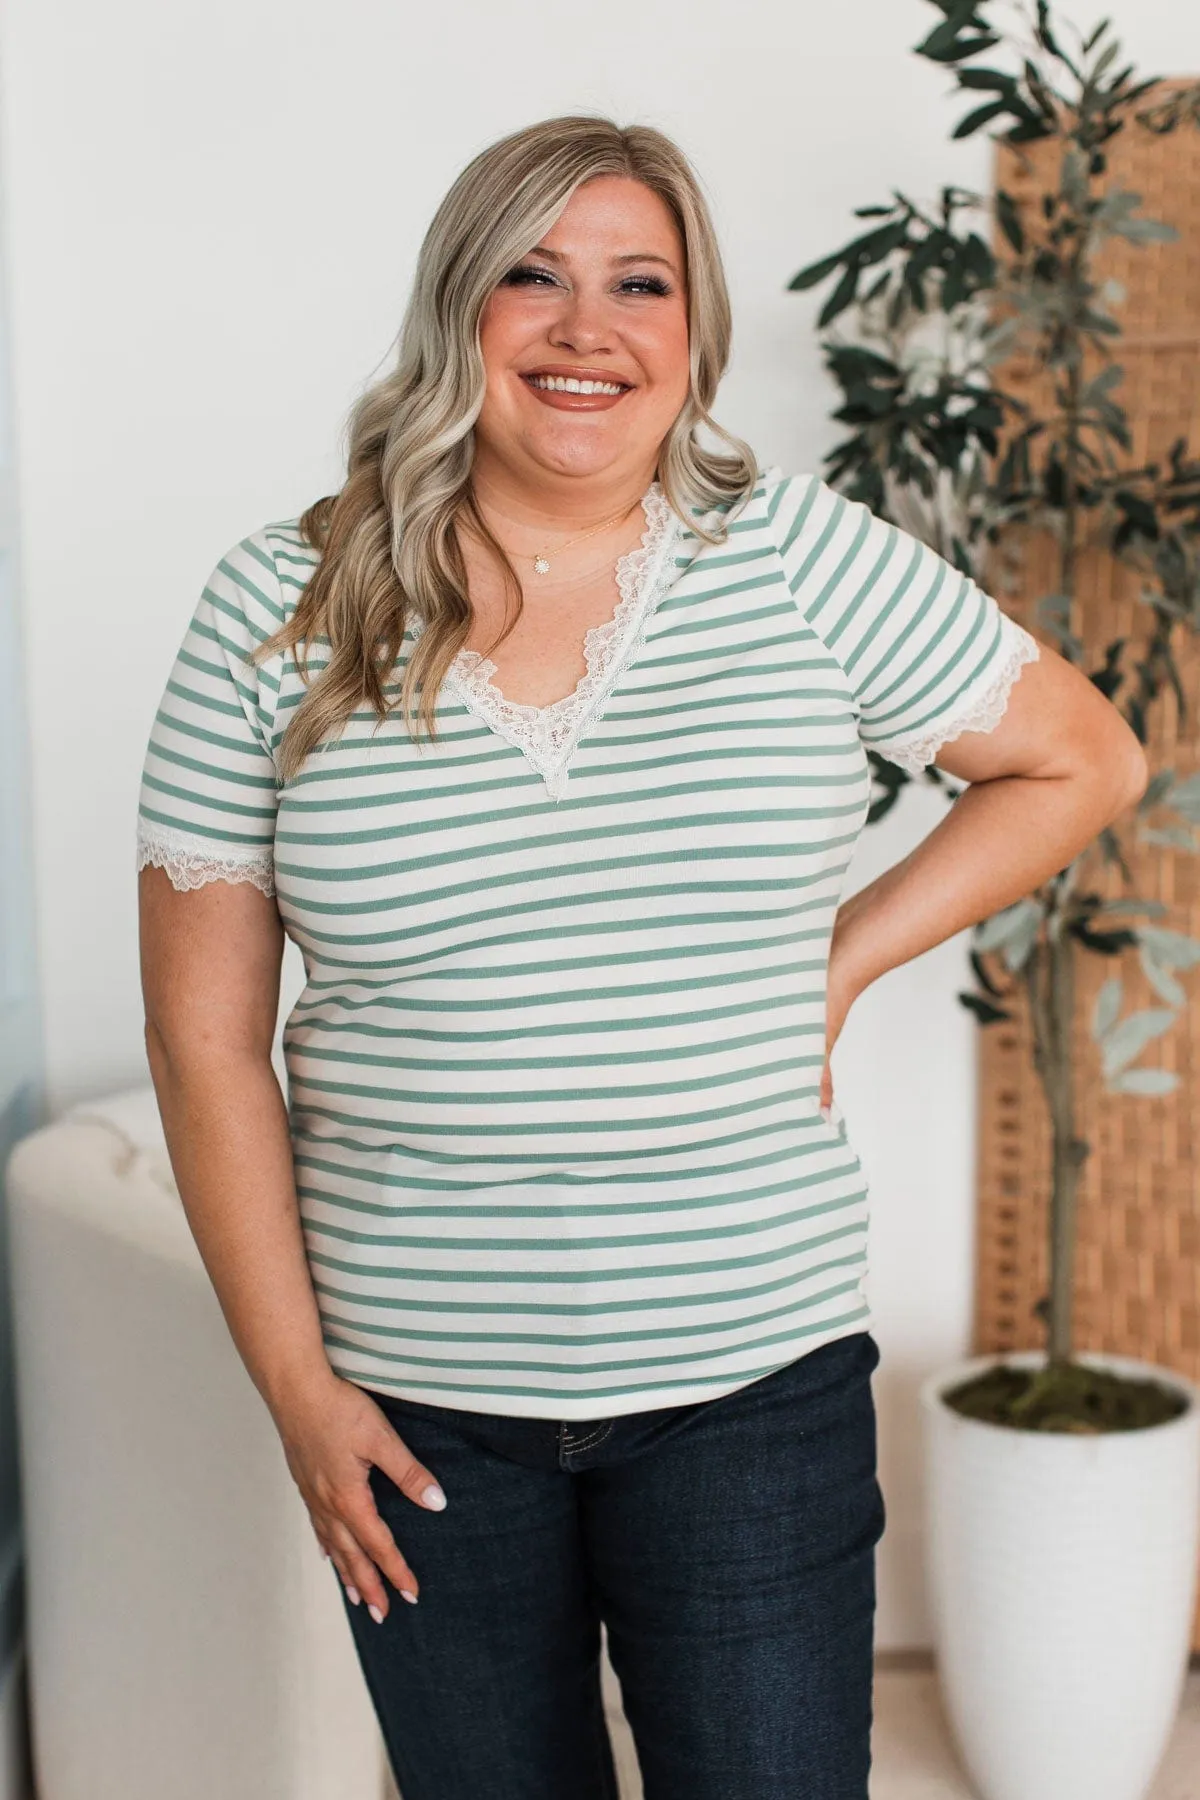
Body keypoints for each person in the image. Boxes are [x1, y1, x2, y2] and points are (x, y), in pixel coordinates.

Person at [135, 114, 1147, 1800]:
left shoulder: (802, 565)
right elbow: (204, 1041)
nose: (583, 328)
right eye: (532, 276)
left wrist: (840, 959)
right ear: (458, 308)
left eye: (638, 284)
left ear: (695, 335)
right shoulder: (277, 605)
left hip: (749, 1388)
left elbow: (1083, 760)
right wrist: (303, 1391)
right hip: (418, 1417)